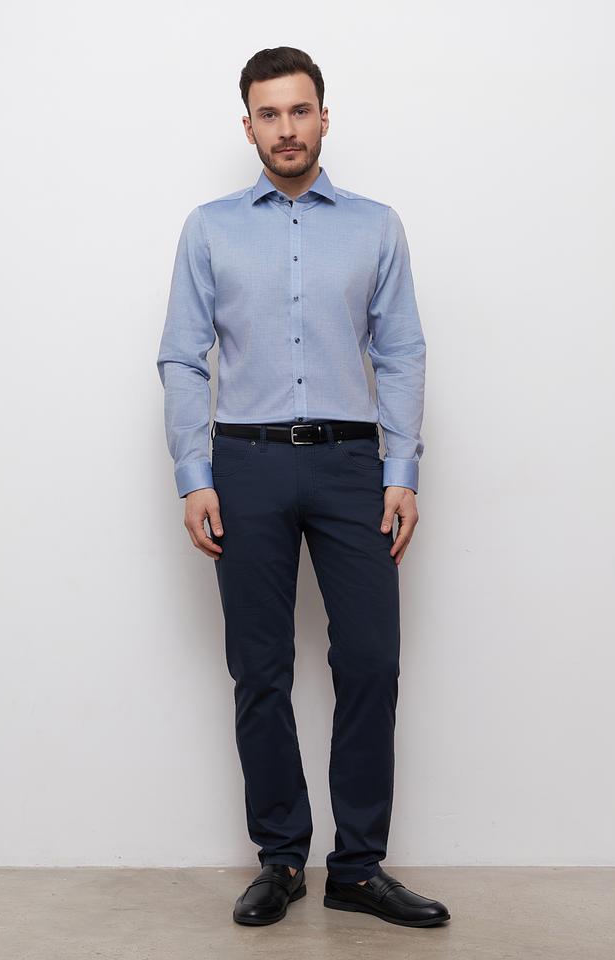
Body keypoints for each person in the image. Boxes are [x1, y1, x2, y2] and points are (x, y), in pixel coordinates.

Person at [156, 45, 450, 929]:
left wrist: (401, 471)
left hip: (352, 464)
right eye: (269, 114)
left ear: (324, 116)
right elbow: (182, 355)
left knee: (370, 661)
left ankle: (357, 868)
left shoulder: (376, 227)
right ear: (247, 126)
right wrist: (193, 475)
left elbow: (401, 351)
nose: (286, 129)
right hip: (243, 463)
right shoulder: (210, 228)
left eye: (299, 110)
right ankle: (281, 859)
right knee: (260, 669)